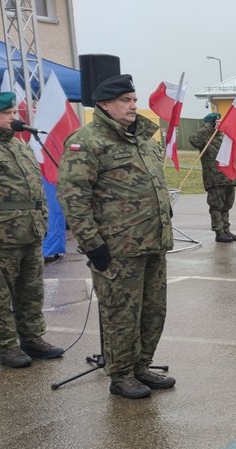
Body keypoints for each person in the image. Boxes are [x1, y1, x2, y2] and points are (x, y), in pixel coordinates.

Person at [59, 74, 176, 399]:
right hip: (117, 248)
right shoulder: (87, 141)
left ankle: (140, 366)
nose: (132, 106)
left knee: (153, 310)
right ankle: (121, 374)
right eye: (125, 100)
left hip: (152, 242)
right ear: (104, 105)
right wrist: (92, 243)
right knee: (120, 314)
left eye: (134, 100)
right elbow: (73, 196)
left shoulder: (141, 139)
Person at [0, 91, 64, 368]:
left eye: (14, 112)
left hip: (28, 232)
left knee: (31, 290)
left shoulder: (19, 146)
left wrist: (41, 219)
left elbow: (35, 190)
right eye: (6, 113)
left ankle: (32, 338)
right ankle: (6, 346)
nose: (13, 117)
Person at [189, 112, 236, 243]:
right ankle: (219, 231)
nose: (220, 124)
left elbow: (234, 157)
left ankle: (226, 229)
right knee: (216, 205)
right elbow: (194, 140)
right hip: (214, 178)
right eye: (217, 122)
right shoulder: (206, 138)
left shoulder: (225, 137)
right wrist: (210, 127)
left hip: (228, 177)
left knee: (227, 205)